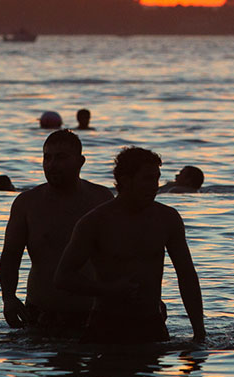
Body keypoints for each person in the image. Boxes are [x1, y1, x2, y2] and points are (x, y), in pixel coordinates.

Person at [55, 146, 206, 343]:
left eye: (157, 178)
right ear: (126, 181)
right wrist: (108, 289)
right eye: (147, 179)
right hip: (105, 324)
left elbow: (186, 276)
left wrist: (199, 333)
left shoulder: (167, 218)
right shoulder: (95, 222)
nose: (155, 186)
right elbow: (62, 277)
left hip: (151, 323)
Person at [0, 129, 113, 333]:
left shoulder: (101, 199)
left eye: (60, 157)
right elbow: (10, 255)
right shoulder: (27, 203)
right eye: (47, 157)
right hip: (41, 312)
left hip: (93, 312)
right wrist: (8, 297)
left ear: (80, 161)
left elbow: (119, 254)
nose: (52, 164)